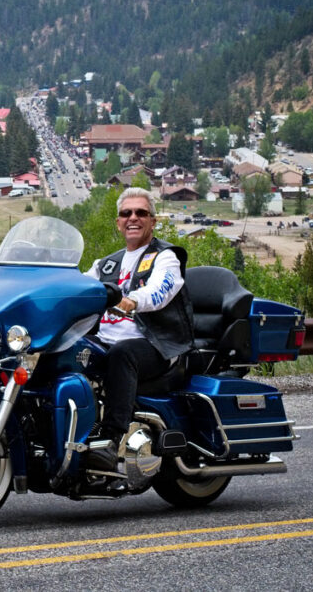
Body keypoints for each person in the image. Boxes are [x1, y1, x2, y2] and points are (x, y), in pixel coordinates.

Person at [84, 187, 194, 471]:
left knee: (123, 353)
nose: (133, 218)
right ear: (118, 221)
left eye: (141, 213)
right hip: (105, 341)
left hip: (156, 345)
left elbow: (160, 291)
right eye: (126, 213)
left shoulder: (165, 257)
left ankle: (110, 441)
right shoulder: (106, 263)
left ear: (153, 221)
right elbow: (80, 287)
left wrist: (132, 301)